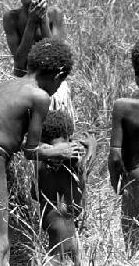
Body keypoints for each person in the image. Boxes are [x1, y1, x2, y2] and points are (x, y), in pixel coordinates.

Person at [0, 38, 82, 266]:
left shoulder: (8, 84)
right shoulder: (40, 97)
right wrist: (59, 152)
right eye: (60, 83)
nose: (56, 90)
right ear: (58, 76)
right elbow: (30, 150)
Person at [3, 0, 74, 120]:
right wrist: (31, 24)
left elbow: (57, 56)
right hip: (26, 82)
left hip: (52, 83)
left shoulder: (54, 14)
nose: (38, 0)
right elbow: (19, 61)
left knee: (56, 129)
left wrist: (43, 22)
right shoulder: (12, 18)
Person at [31, 110, 97, 266]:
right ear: (69, 133)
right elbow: (84, 170)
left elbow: (34, 193)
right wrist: (93, 148)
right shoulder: (71, 153)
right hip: (66, 230)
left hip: (53, 227)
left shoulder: (41, 158)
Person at [108, 37, 139, 256]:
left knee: (133, 246)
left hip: (137, 181)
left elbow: (114, 157)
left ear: (135, 73)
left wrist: (116, 184)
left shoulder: (123, 107)